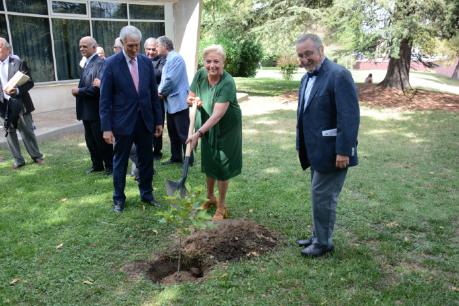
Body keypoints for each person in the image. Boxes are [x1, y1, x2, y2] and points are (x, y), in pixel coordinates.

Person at [295, 34, 359, 257]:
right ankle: (317, 236)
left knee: (323, 196)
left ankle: (323, 243)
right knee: (318, 195)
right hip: (316, 150)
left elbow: (349, 117)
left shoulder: (339, 75)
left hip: (334, 152)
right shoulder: (306, 79)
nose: (304, 59)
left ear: (321, 51)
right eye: (300, 55)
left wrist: (344, 150)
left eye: (308, 54)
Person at [100, 25, 163, 213]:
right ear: (122, 43)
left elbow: (153, 95)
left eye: (137, 45)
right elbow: (105, 99)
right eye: (130, 46)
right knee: (120, 162)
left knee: (147, 160)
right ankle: (118, 199)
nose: (134, 50)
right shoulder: (111, 64)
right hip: (122, 124)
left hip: (145, 122)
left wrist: (159, 121)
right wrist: (106, 128)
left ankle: (147, 194)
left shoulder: (145, 63)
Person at [186, 44, 242, 221]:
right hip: (205, 124)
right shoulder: (201, 74)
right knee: (210, 161)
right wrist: (191, 100)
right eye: (208, 61)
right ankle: (210, 197)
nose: (212, 65)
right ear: (204, 62)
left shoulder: (227, 82)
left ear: (223, 62)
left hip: (226, 128)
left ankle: (222, 206)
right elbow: (191, 95)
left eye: (216, 61)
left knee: (222, 166)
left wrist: (198, 133)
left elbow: (218, 115)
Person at [0, 37, 44, 169]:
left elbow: (30, 83)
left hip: (20, 103)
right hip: (3, 105)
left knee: (27, 131)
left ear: (7, 49)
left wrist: (17, 90)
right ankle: (18, 160)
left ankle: (37, 156)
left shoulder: (18, 63)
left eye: (0, 46)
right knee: (9, 133)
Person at [71, 36, 113, 175]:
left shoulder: (101, 63)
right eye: (80, 46)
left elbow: (97, 88)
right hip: (86, 110)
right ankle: (97, 165)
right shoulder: (87, 63)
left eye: (85, 46)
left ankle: (110, 166)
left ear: (94, 47)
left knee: (101, 140)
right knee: (90, 141)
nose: (82, 49)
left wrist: (79, 91)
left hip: (96, 110)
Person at [157, 36, 191, 165]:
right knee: (173, 133)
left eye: (157, 46)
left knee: (183, 133)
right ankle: (176, 157)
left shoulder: (175, 58)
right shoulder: (168, 59)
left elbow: (170, 80)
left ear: (165, 46)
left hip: (179, 103)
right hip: (171, 104)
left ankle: (189, 159)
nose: (156, 48)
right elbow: (165, 80)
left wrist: (160, 92)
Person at [144, 37, 166, 160]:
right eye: (148, 49)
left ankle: (157, 151)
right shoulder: (140, 60)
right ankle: (147, 148)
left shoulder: (162, 60)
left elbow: (160, 73)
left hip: (157, 99)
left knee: (158, 123)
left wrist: (145, 68)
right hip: (144, 100)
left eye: (153, 49)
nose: (151, 52)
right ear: (144, 49)